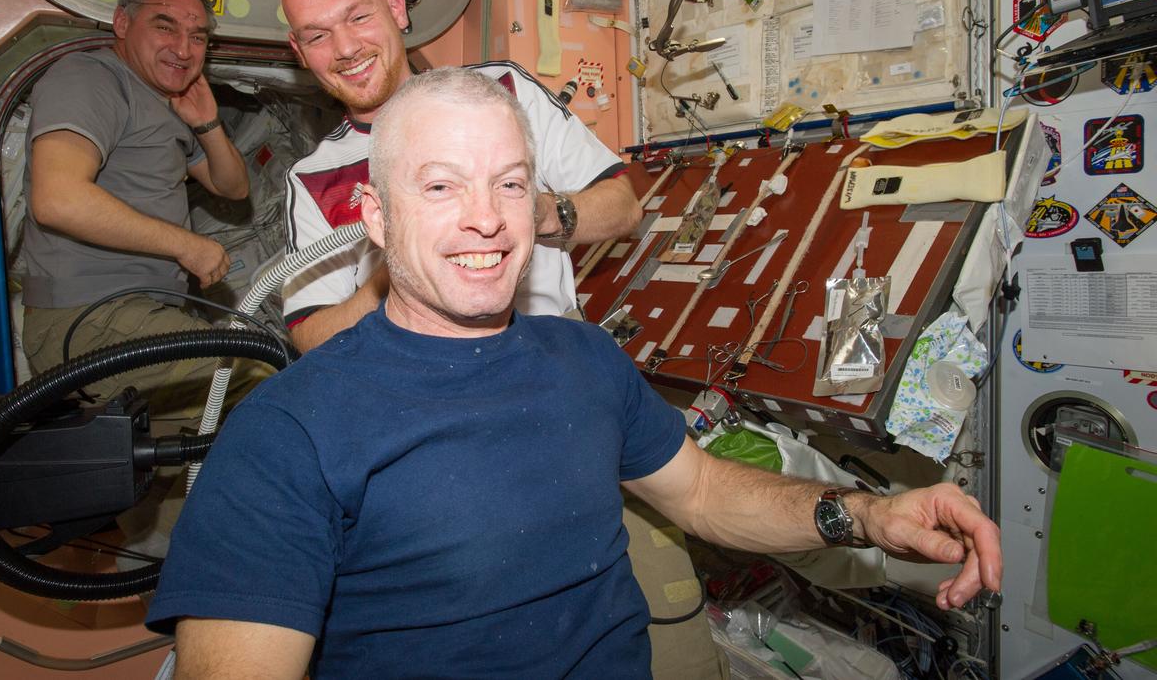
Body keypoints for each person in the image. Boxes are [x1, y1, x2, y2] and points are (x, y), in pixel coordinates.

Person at [146, 69, 1003, 679]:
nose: (485, 219)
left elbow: (703, 491)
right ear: (375, 215)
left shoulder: (583, 356)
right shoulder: (287, 431)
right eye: (441, 187)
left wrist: (867, 514)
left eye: (509, 185)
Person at [278, 0, 643, 353]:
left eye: (359, 17)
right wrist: (396, 272)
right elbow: (310, 337)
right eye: (317, 36)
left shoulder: (502, 92)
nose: (345, 48)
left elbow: (624, 207)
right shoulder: (314, 179)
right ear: (299, 51)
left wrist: (535, 211)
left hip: (549, 354)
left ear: (396, 8)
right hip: (420, 378)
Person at [19, 0, 252, 418]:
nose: (183, 49)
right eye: (165, 27)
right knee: (255, 375)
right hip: (90, 315)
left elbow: (233, 187)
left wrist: (207, 123)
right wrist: (186, 245)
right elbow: (58, 199)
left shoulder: (164, 103)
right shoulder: (90, 79)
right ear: (122, 23)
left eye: (197, 37)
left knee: (182, 449)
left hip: (135, 311)